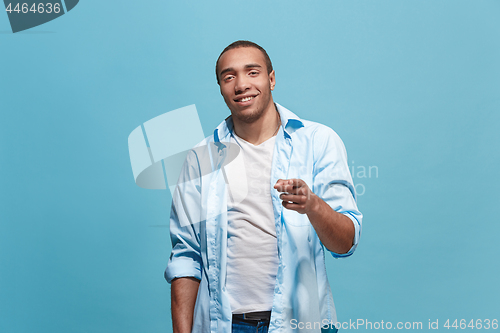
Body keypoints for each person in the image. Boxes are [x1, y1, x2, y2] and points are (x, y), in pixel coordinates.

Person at [165, 40, 362, 333]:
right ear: (220, 87)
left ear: (271, 79)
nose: (241, 84)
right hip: (225, 326)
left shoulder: (319, 141)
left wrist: (313, 206)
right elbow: (186, 258)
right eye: (229, 77)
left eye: (252, 72)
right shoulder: (200, 158)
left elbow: (345, 243)